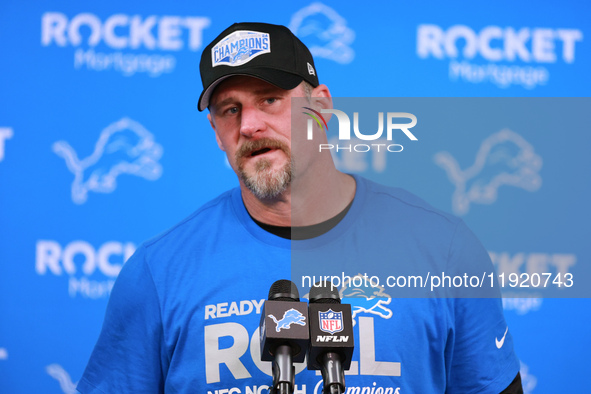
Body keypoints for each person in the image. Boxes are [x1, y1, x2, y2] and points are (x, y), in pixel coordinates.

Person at [77, 22, 523, 393]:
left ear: (321, 107)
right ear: (216, 132)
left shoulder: (443, 250)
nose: (250, 125)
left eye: (270, 99)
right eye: (230, 109)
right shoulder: (158, 273)